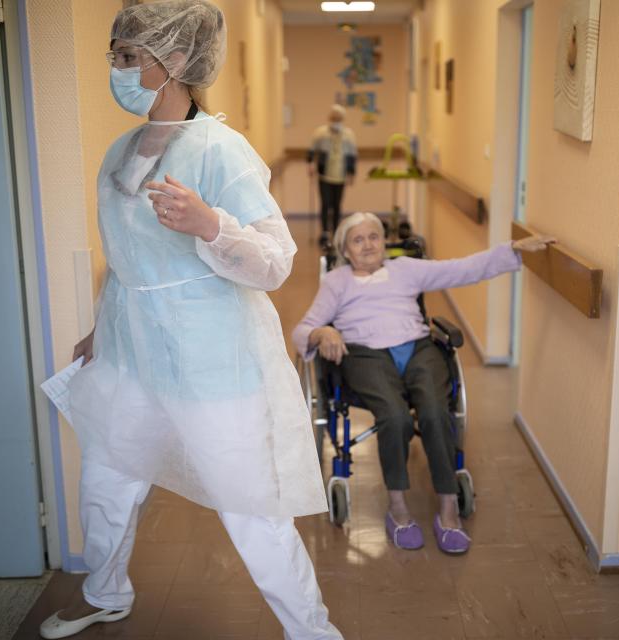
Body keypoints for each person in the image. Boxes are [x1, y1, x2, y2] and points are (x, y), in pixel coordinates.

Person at [39, 3, 341, 638]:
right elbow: (127, 260)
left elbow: (276, 264)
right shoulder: (121, 152)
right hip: (130, 348)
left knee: (251, 507)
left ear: (173, 63)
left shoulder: (221, 150)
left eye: (128, 57)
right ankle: (105, 590)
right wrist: (102, 326)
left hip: (210, 360)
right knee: (105, 478)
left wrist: (212, 225)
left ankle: (313, 631)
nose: (116, 70)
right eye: (114, 56)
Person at [291, 213, 553, 554]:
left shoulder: (406, 269)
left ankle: (448, 509)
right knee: (395, 416)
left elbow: (463, 269)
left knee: (434, 410)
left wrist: (514, 248)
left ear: (385, 242)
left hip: (417, 348)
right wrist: (322, 331)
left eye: (375, 236)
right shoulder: (337, 282)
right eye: (358, 239)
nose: (368, 244)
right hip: (366, 355)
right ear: (345, 249)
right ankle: (397, 508)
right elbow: (302, 328)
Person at [307, 105, 357, 246]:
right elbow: (312, 150)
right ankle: (324, 232)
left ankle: (335, 232)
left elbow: (352, 155)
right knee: (325, 204)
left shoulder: (349, 135)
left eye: (338, 118)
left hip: (340, 176)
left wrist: (351, 173)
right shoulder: (320, 133)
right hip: (324, 174)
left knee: (336, 205)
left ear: (343, 119)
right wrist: (310, 164)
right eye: (334, 118)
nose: (336, 120)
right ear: (329, 118)